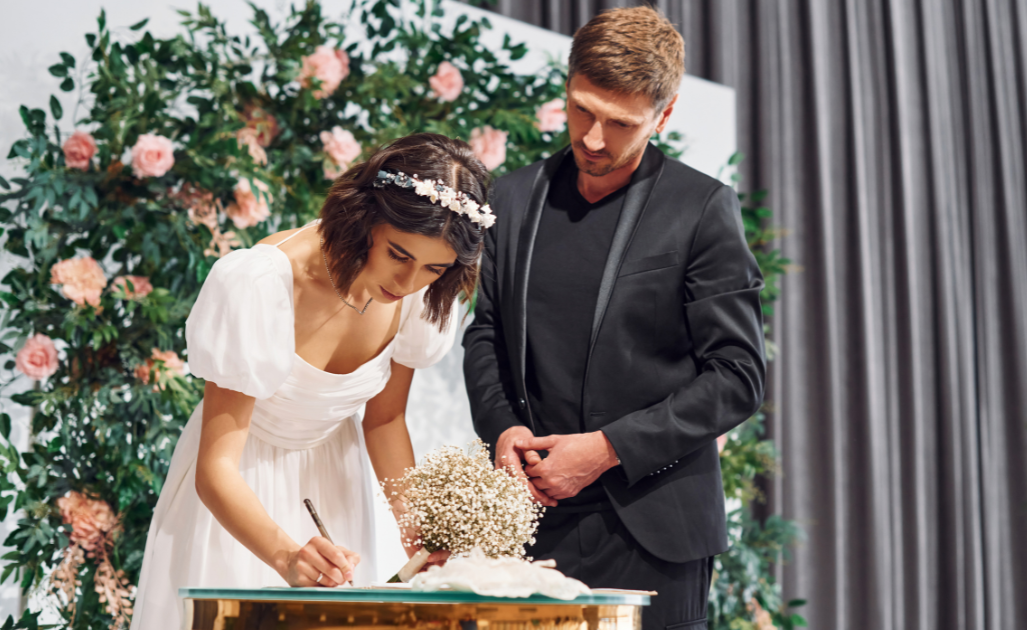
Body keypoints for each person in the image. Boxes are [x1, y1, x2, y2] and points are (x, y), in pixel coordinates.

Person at [462, 7, 766, 630]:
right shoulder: (513, 198)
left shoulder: (702, 208)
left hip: (655, 527)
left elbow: (738, 377)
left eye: (621, 123)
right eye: (582, 111)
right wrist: (503, 431)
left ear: (665, 115)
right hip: (530, 521)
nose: (594, 140)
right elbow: (486, 333)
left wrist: (605, 450)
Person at [131, 133, 494, 629]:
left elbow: (385, 420)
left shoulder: (419, 297)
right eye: (399, 255)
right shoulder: (261, 283)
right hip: (239, 493)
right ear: (366, 217)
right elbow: (214, 468)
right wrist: (284, 556)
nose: (408, 284)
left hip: (335, 483)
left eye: (434, 268)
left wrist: (416, 532)